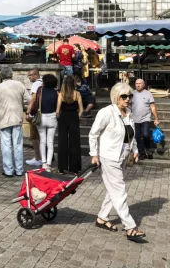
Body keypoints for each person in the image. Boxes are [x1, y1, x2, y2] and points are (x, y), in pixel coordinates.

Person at [89, 82, 145, 243]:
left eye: (130, 96)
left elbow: (130, 136)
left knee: (113, 189)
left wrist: (135, 151)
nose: (128, 99)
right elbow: (93, 134)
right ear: (115, 97)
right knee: (119, 191)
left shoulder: (128, 113)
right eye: (124, 96)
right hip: (109, 157)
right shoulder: (106, 112)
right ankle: (130, 227)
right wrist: (94, 154)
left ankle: (102, 217)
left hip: (123, 157)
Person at [0, 66, 31, 177]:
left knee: (6, 145)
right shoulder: (19, 85)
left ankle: (8, 170)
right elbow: (29, 100)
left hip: (3, 119)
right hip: (17, 118)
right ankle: (19, 170)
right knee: (18, 145)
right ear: (11, 74)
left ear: (1, 76)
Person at [29, 74, 58, 171]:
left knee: (42, 140)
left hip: (42, 117)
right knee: (50, 142)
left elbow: (36, 103)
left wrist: (31, 114)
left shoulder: (40, 90)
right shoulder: (55, 92)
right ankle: (49, 164)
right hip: (52, 117)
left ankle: (44, 162)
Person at [56, 75, 83, 174]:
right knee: (74, 142)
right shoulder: (77, 94)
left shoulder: (61, 94)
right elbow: (81, 110)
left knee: (62, 142)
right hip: (74, 118)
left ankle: (61, 168)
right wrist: (77, 117)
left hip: (63, 118)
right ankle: (74, 168)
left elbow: (57, 110)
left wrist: (59, 117)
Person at [132, 79, 160, 160]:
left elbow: (152, 106)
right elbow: (128, 105)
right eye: (136, 83)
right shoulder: (132, 94)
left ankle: (148, 149)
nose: (138, 85)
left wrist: (156, 118)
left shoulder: (148, 94)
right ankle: (141, 153)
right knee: (137, 136)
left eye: (140, 83)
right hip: (135, 119)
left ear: (144, 85)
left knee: (145, 134)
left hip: (145, 118)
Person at [25, 68, 43, 167]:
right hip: (44, 112)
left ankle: (37, 158)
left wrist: (29, 113)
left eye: (30, 75)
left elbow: (33, 99)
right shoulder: (43, 83)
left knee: (34, 136)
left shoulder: (36, 84)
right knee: (41, 136)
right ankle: (42, 156)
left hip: (35, 113)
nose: (29, 77)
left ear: (36, 75)